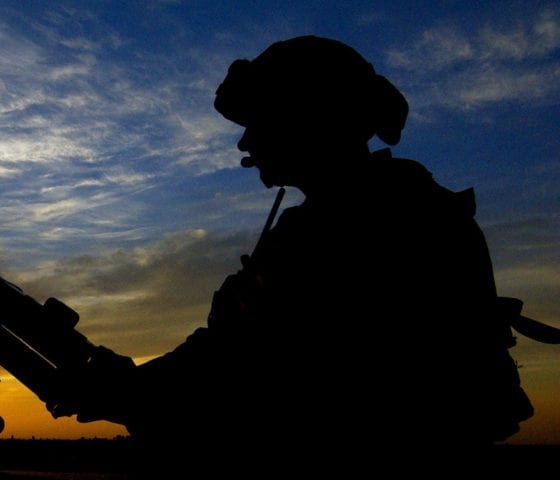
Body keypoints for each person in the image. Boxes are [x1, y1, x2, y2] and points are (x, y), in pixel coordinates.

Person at [51, 35, 534, 466]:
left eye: (260, 120)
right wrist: (133, 385)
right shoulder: (357, 214)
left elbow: (259, 374)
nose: (245, 142)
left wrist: (128, 391)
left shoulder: (372, 224)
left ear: (308, 120)